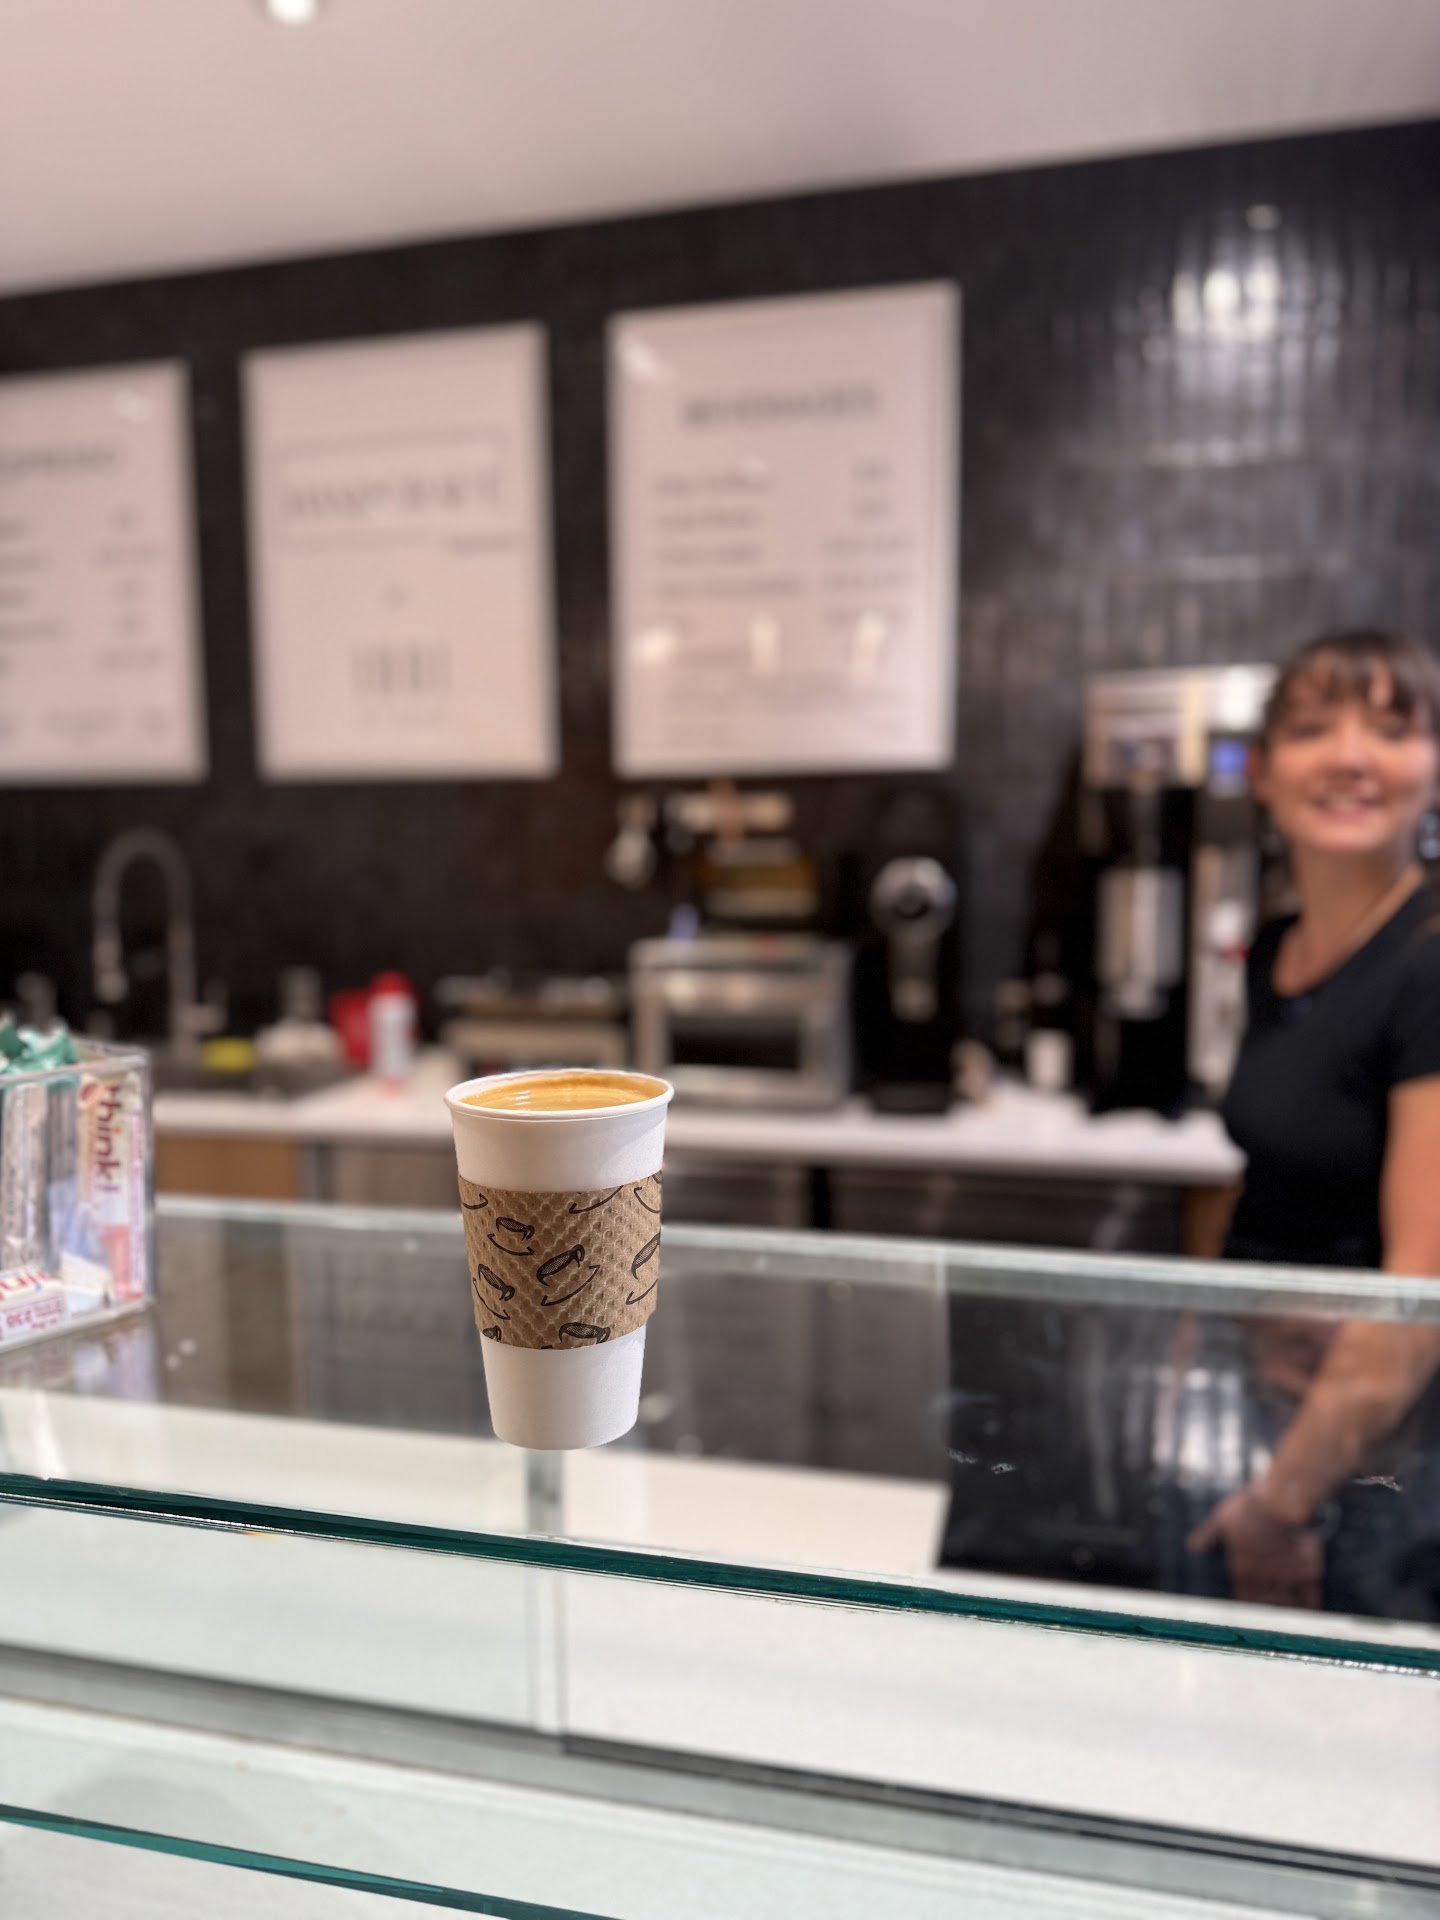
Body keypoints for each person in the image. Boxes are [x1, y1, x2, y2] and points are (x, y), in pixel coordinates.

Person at [1188, 630, 1440, 1611]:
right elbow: (1270, 1180)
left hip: (1372, 1459)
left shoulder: (1428, 966)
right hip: (1261, 1413)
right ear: (1260, 773)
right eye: (1311, 730)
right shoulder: (1277, 950)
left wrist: (1279, 1506)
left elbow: (1420, 1287)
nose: (1350, 758)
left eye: (1392, 730)